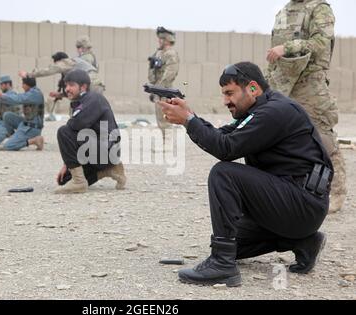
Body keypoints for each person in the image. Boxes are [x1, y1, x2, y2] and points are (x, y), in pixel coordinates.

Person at [159, 62, 333, 287]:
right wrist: (191, 117)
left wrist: (188, 121)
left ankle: (222, 267)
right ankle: (304, 241)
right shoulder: (259, 111)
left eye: (230, 93)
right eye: (223, 94)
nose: (226, 101)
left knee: (224, 174)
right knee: (234, 245)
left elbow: (225, 148)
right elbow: (222, 135)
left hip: (302, 204)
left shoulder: (275, 112)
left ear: (252, 88)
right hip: (296, 206)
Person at [266, 0, 346, 214]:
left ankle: (336, 193)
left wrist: (288, 48)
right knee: (284, 138)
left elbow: (321, 41)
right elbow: (274, 53)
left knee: (322, 136)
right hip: (283, 82)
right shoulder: (285, 10)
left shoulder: (319, 8)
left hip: (310, 84)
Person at [55, 69, 126, 194]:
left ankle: (79, 182)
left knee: (63, 131)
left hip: (105, 152)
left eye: (71, 85)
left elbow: (76, 124)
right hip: (97, 151)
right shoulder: (80, 102)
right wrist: (66, 164)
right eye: (66, 85)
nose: (67, 89)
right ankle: (110, 170)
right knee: (65, 179)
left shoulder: (93, 98)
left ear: (83, 87)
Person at [0, 77, 45, 151]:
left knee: (9, 146)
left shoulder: (35, 94)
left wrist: (0, 95)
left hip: (32, 128)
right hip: (25, 124)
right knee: (7, 115)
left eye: (23, 84)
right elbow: (3, 99)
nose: (22, 86)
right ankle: (14, 137)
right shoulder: (30, 93)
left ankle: (34, 140)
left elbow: (16, 99)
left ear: (28, 84)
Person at [148, 27, 180, 136]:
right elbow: (153, 77)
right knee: (160, 119)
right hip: (159, 90)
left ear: (166, 40)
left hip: (165, 90)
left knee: (165, 119)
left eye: (161, 39)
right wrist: (152, 67)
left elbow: (170, 74)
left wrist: (159, 89)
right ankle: (165, 143)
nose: (159, 41)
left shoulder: (171, 54)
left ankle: (168, 144)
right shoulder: (159, 54)